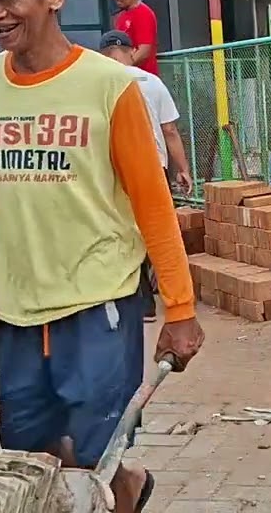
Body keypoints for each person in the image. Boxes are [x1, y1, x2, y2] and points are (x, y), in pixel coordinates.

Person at [0, 0, 205, 513]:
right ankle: (130, 487)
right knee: (31, 454)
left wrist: (179, 310)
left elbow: (153, 204)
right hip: (20, 307)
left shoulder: (110, 87)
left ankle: (118, 488)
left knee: (91, 452)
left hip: (99, 299)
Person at [99, 29, 192, 322]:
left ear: (103, 55)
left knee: (126, 231)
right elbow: (170, 130)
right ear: (131, 51)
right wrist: (184, 169)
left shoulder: (100, 84)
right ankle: (172, 296)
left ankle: (141, 303)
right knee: (158, 229)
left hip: (116, 171)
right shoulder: (153, 82)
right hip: (155, 167)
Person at [106, 0, 159, 74]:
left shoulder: (144, 13)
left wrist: (123, 67)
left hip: (143, 77)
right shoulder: (121, 16)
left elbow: (144, 51)